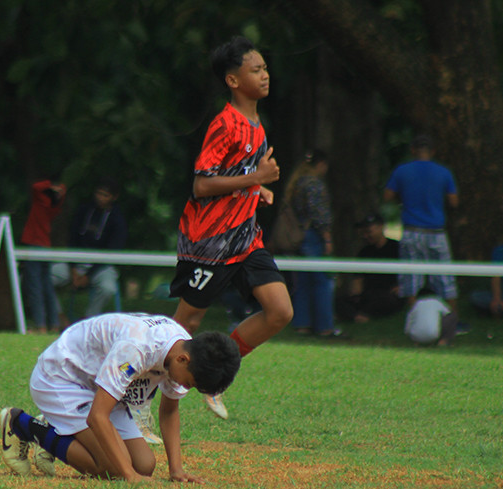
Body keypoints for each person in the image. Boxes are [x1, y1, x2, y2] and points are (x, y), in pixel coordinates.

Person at [168, 36, 292, 421]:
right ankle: (136, 394)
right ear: (233, 80)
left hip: (245, 238)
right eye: (256, 70)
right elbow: (201, 185)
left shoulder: (256, 125)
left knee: (279, 311)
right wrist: (255, 178)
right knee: (185, 325)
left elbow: (235, 176)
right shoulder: (225, 124)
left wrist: (257, 190)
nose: (265, 75)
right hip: (211, 242)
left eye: (265, 68)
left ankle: (214, 378)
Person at [0, 313, 241, 483]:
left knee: (144, 465)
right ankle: (24, 424)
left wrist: (176, 469)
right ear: (183, 359)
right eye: (189, 383)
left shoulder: (184, 349)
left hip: (100, 387)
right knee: (113, 470)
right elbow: (97, 416)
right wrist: (129, 475)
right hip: (61, 378)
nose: (185, 387)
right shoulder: (138, 348)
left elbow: (169, 411)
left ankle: (63, 427)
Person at [384, 134, 461, 320]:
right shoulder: (444, 172)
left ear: (412, 150)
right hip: (436, 231)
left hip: (412, 231)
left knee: (411, 277)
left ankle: (414, 319)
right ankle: (452, 319)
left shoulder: (402, 171)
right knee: (444, 276)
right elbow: (454, 201)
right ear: (432, 151)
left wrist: (404, 199)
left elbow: (387, 196)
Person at [282, 149, 340, 337]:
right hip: (313, 236)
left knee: (303, 282)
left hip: (299, 236)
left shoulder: (296, 184)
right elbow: (319, 215)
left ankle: (302, 324)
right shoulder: (314, 184)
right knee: (323, 281)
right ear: (321, 164)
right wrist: (327, 238)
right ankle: (325, 326)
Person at [54, 179, 127, 320]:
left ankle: (89, 319)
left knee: (108, 288)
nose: (100, 198)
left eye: (105, 195)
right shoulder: (84, 211)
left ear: (114, 197)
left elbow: (112, 252)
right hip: (76, 264)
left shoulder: (118, 220)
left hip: (102, 267)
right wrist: (73, 268)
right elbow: (73, 240)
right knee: (45, 277)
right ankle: (59, 317)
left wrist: (88, 275)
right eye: (98, 193)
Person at [336, 213, 403, 324]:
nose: (366, 236)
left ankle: (359, 315)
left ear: (381, 227)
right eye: (364, 233)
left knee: (385, 300)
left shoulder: (397, 248)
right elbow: (358, 279)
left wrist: (400, 286)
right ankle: (358, 316)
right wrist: (355, 295)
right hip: (369, 294)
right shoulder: (364, 252)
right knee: (340, 301)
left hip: (389, 294)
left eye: (369, 232)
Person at [20, 177, 66, 333]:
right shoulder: (55, 204)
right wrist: (60, 189)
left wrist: (50, 185)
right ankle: (53, 324)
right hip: (45, 245)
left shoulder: (40, 201)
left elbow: (36, 187)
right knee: (47, 286)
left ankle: (40, 325)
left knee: (34, 286)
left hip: (34, 244)